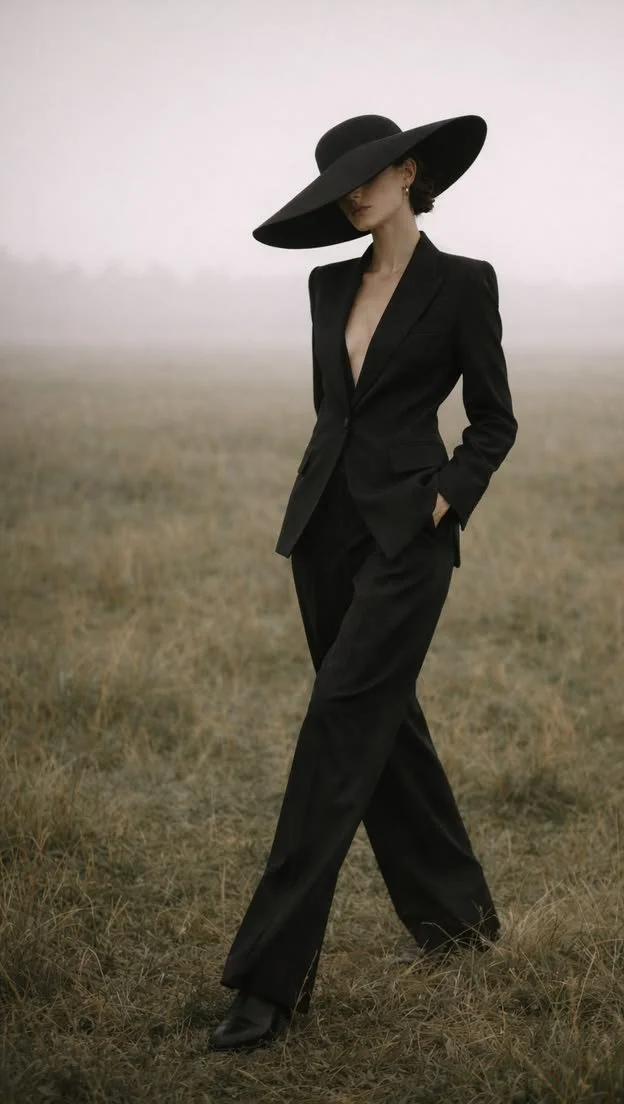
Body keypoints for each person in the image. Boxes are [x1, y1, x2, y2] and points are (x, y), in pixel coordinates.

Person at [209, 113, 518, 1052]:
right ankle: (458, 922)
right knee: (386, 728)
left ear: (407, 171)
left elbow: (495, 422)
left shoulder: (464, 285)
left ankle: (267, 982)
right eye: (339, 182)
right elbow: (333, 416)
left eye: (367, 175)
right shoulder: (326, 283)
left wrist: (444, 502)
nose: (354, 193)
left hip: (406, 544)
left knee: (338, 728)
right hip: (322, 537)